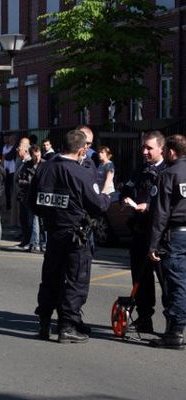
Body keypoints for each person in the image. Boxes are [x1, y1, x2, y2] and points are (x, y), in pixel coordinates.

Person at [30, 129, 111, 343]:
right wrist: (107, 195)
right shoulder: (80, 172)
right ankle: (67, 326)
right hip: (76, 234)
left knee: (51, 277)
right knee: (76, 280)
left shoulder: (44, 169)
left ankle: (44, 323)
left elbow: (33, 202)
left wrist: (51, 216)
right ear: (82, 148)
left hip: (53, 232)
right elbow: (97, 205)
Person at [120, 131, 167, 333]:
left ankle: (173, 323)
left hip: (160, 235)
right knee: (141, 277)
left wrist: (147, 206)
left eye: (149, 148)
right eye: (143, 147)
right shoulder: (140, 170)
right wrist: (125, 198)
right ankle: (144, 318)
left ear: (161, 149)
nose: (145, 151)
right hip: (140, 230)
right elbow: (126, 188)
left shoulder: (168, 171)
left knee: (167, 280)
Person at [148, 134, 186, 349]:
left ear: (171, 152)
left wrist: (153, 244)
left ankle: (175, 332)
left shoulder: (169, 174)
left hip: (177, 234)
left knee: (177, 283)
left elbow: (161, 213)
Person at [9, 138, 32, 250]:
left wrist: (20, 182)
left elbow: (29, 179)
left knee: (28, 220)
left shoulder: (29, 162)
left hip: (27, 195)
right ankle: (24, 240)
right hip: (21, 195)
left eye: (20, 148)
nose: (17, 149)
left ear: (26, 150)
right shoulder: (21, 161)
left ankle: (29, 241)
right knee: (23, 219)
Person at [2, 134, 17, 210]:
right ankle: (8, 204)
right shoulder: (4, 147)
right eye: (9, 139)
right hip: (6, 169)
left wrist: (5, 156)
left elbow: (7, 157)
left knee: (13, 188)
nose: (9, 141)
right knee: (7, 188)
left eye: (11, 140)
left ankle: (13, 204)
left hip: (13, 170)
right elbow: (3, 157)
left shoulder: (14, 148)